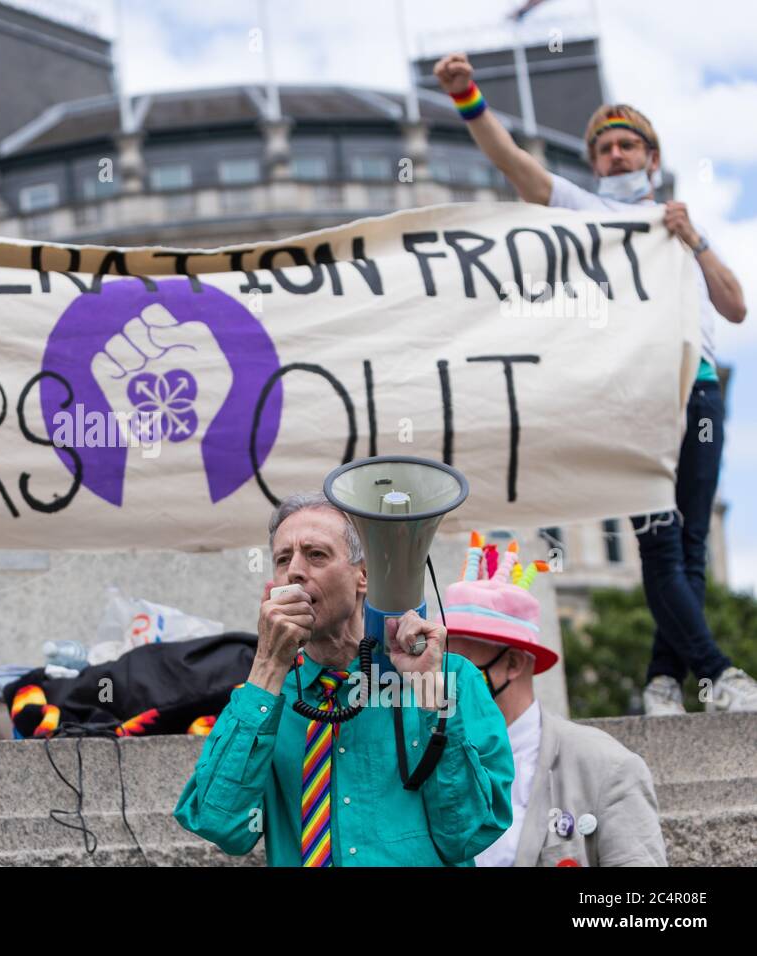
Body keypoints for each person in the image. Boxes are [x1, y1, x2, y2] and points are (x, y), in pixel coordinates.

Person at [432, 53, 756, 716]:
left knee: (691, 542)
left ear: (651, 157)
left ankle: (665, 680)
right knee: (660, 539)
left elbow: (735, 307)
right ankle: (718, 672)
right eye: (604, 148)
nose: (614, 155)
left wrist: (693, 240)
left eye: (626, 145)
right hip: (632, 394)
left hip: (695, 390)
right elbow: (513, 163)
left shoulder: (680, 223)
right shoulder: (583, 208)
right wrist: (467, 96)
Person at [173, 493, 514, 866]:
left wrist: (431, 698)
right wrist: (268, 665)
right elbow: (220, 824)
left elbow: (470, 834)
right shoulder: (265, 697)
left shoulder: (449, 678)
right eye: (283, 559)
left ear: (363, 574)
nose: (295, 571)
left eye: (316, 555)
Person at [444, 534, 667, 866]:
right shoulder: (431, 758)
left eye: (462, 667)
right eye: (444, 665)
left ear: (514, 663)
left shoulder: (606, 767)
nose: (449, 680)